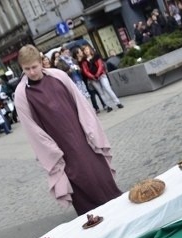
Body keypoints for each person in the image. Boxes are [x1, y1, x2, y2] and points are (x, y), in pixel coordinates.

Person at [14, 45, 122, 215]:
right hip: (61, 149)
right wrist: (52, 152)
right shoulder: (21, 94)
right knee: (80, 184)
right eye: (27, 69)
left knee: (100, 173)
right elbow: (32, 130)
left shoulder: (59, 76)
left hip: (83, 137)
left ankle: (119, 208)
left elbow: (81, 104)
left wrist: (91, 130)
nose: (32, 72)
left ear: (41, 63)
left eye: (34, 67)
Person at [81, 45, 124, 110]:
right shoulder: (83, 61)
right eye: (84, 50)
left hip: (101, 75)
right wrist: (92, 76)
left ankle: (117, 103)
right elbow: (85, 71)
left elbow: (100, 65)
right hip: (92, 79)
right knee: (101, 92)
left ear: (90, 49)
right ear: (83, 52)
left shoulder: (96, 56)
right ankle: (108, 106)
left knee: (108, 88)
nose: (86, 51)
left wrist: (97, 74)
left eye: (87, 49)